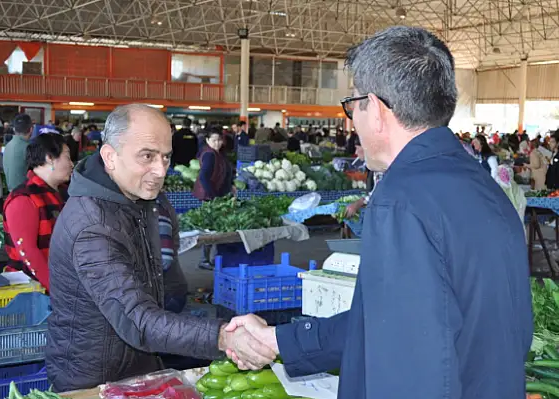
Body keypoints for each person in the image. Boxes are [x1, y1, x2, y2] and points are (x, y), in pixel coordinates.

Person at [224, 26, 532, 399]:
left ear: (377, 109)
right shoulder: (482, 186)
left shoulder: (402, 199)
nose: (352, 121)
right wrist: (280, 340)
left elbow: (407, 368)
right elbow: (395, 323)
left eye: (352, 106)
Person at [45, 104, 274, 392]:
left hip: (135, 366)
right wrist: (224, 337)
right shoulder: (93, 226)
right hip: (91, 381)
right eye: (147, 156)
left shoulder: (135, 199)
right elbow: (137, 319)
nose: (160, 170)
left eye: (165, 157)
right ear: (109, 157)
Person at [3, 134, 72, 292]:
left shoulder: (61, 194)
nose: (71, 164)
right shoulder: (23, 199)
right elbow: (28, 252)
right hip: (32, 290)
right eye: (67, 157)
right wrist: (57, 290)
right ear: (50, 158)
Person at [194, 129, 234, 270]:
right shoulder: (210, 155)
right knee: (210, 229)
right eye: (214, 140)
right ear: (207, 140)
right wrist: (213, 197)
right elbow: (204, 177)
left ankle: (210, 259)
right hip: (210, 197)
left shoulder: (217, 153)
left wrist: (230, 186)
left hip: (217, 195)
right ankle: (204, 260)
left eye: (219, 140)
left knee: (214, 228)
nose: (217, 143)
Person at [4, 114, 34, 191]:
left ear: (14, 129)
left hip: (12, 193)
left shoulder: (8, 145)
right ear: (31, 129)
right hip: (25, 194)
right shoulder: (29, 148)